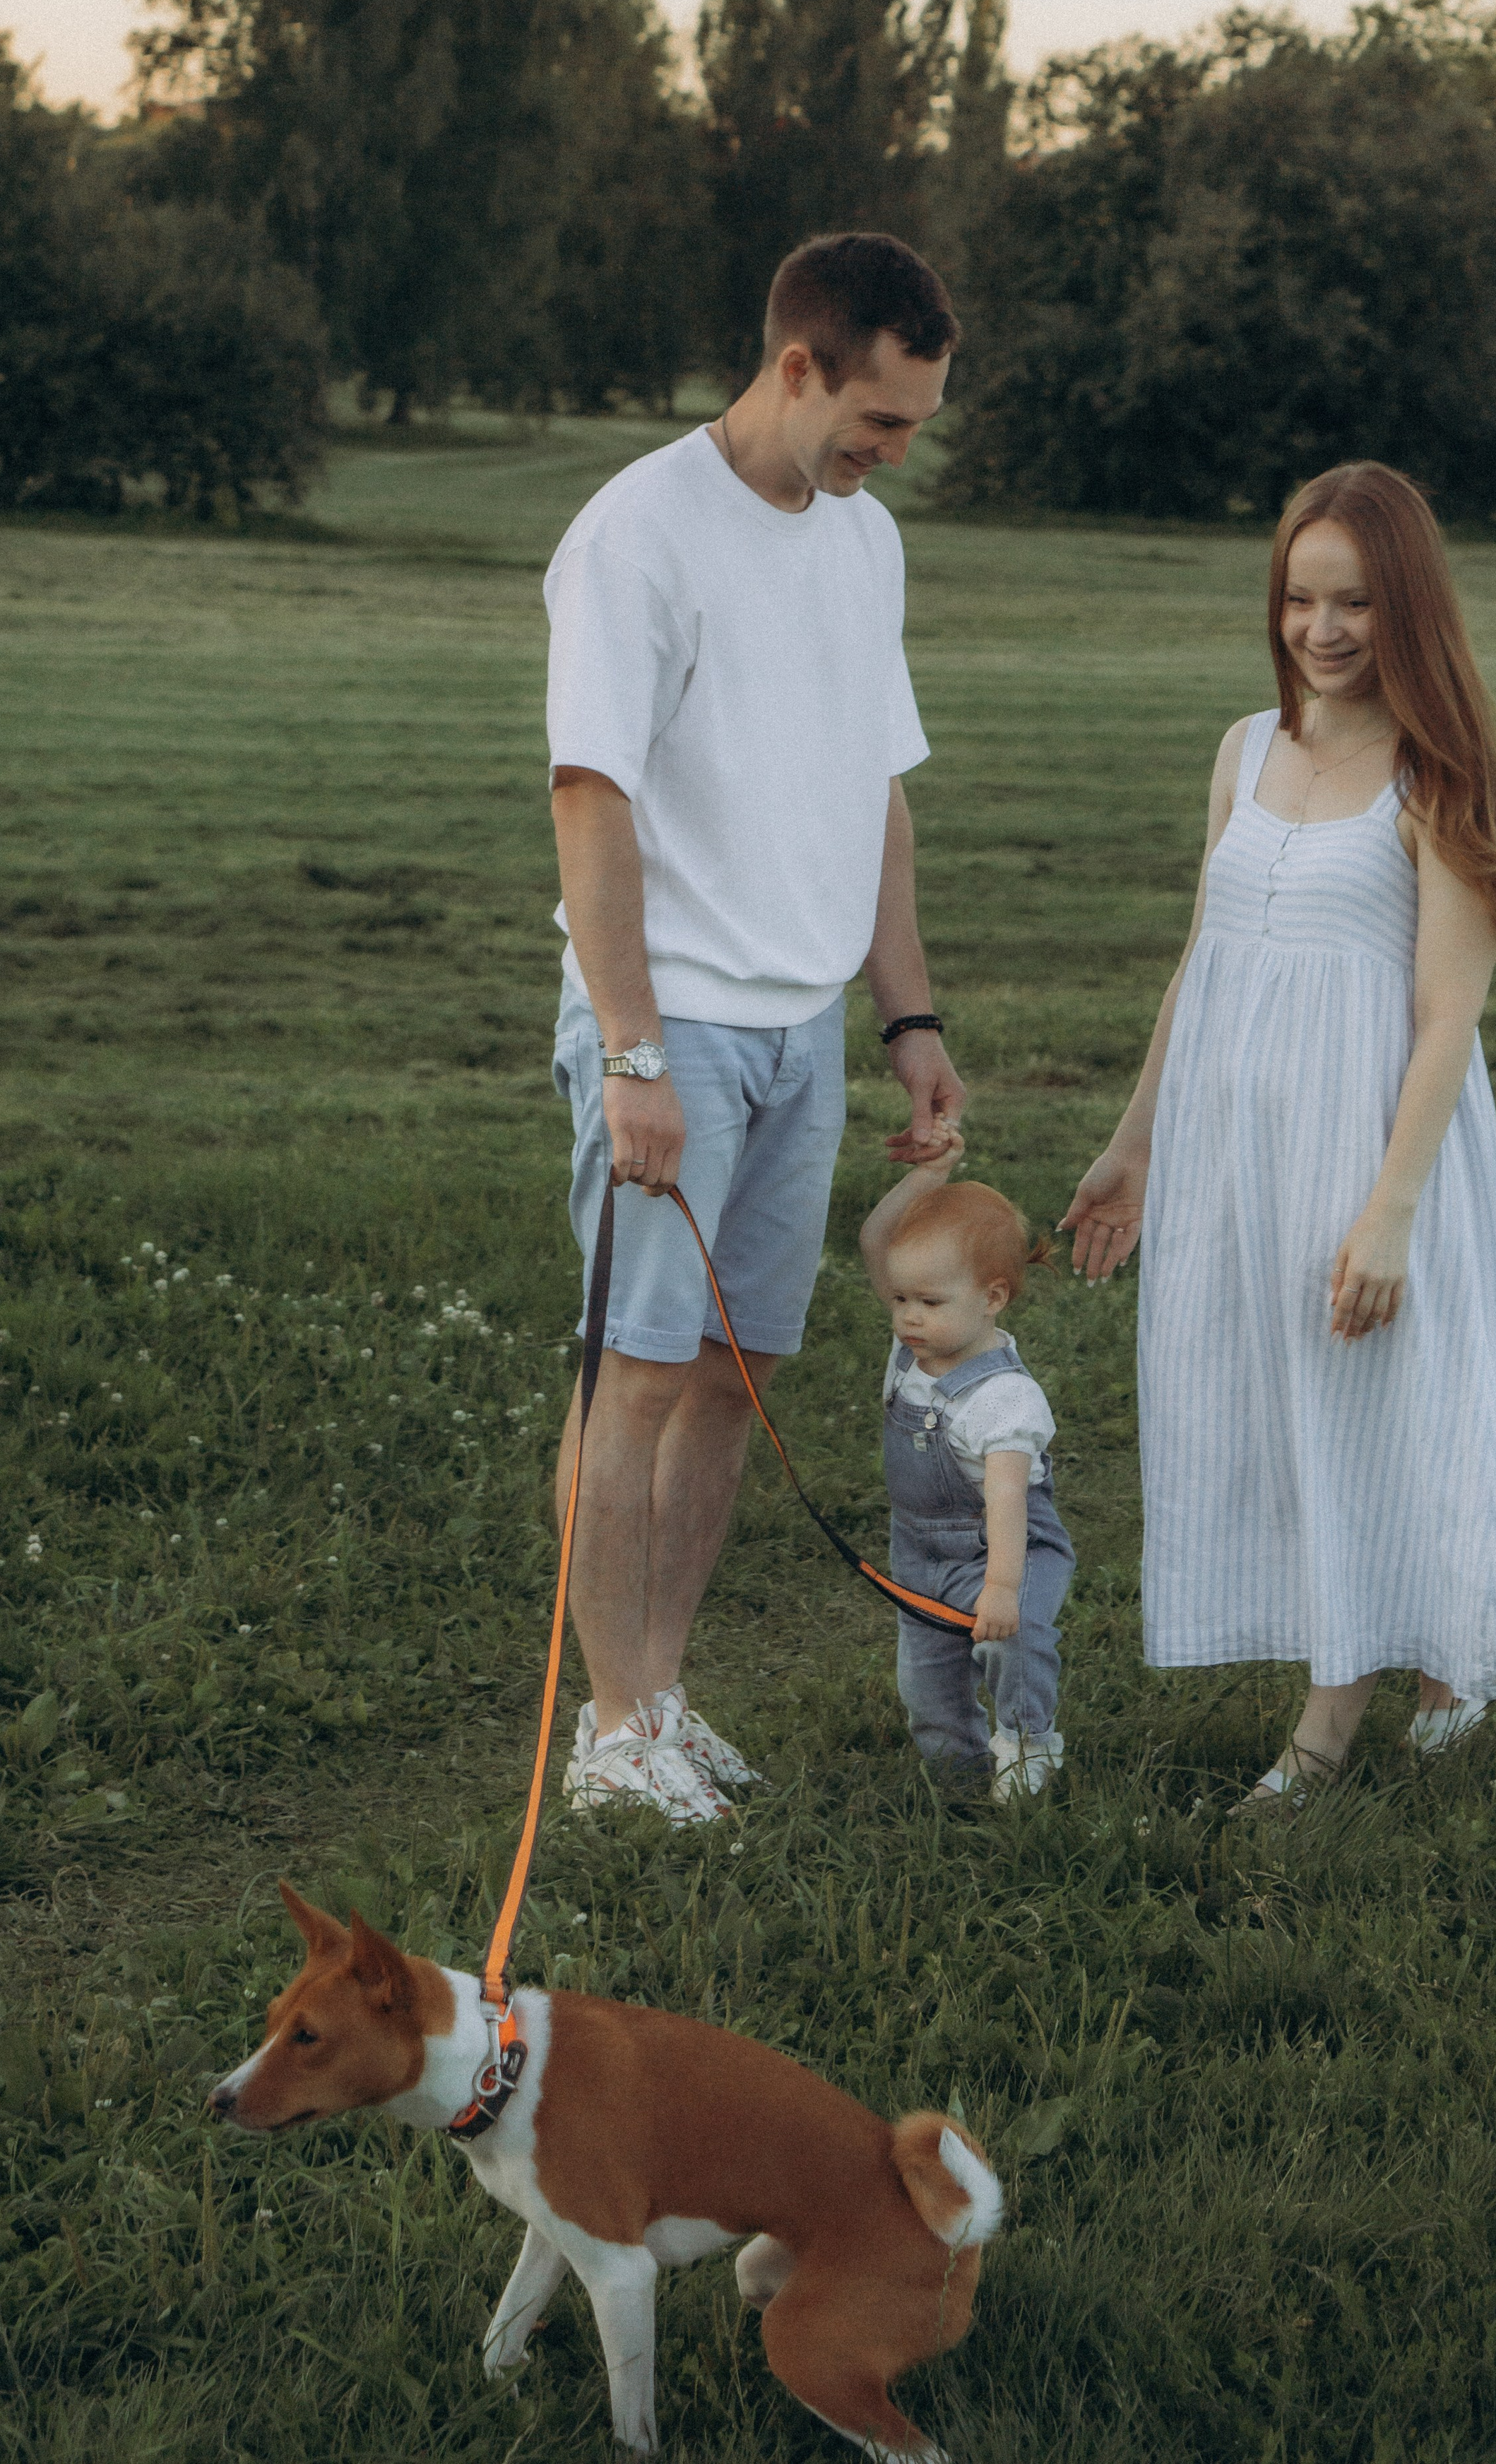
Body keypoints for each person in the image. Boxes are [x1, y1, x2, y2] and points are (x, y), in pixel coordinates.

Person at [1061, 461, 1496, 1807]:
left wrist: (1392, 1208)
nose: (1323, 628)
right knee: (1290, 1402)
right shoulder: (1246, 748)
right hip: (1241, 1145)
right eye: (1301, 598)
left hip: (1373, 1136)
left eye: (1353, 601)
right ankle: (1426, 1650)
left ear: (1404, 605)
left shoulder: (1433, 775)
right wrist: (1136, 1143)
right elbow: (1206, 958)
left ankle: (1334, 1724)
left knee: (1382, 1401)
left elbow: (1448, 1013)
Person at [545, 232, 966, 1823]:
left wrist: (905, 1015)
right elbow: (589, 800)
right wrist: (634, 1048)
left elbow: (876, 799)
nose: (891, 452)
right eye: (879, 419)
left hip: (800, 1026)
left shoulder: (862, 544)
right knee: (634, 1374)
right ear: (797, 364)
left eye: (912, 424)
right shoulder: (635, 536)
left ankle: (660, 1693)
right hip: (678, 1028)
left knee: (736, 1368)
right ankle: (607, 1728)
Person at [859, 1124, 1075, 1799]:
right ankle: (959, 1783)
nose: (908, 1318)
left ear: (993, 1297)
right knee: (926, 1682)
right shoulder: (914, 1353)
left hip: (1004, 1552)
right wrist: (927, 1178)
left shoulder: (1004, 1399)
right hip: (920, 1554)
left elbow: (1007, 1498)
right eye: (900, 1300)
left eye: (928, 1302)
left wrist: (1003, 1589)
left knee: (1014, 1646)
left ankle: (1026, 1746)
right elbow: (876, 1241)